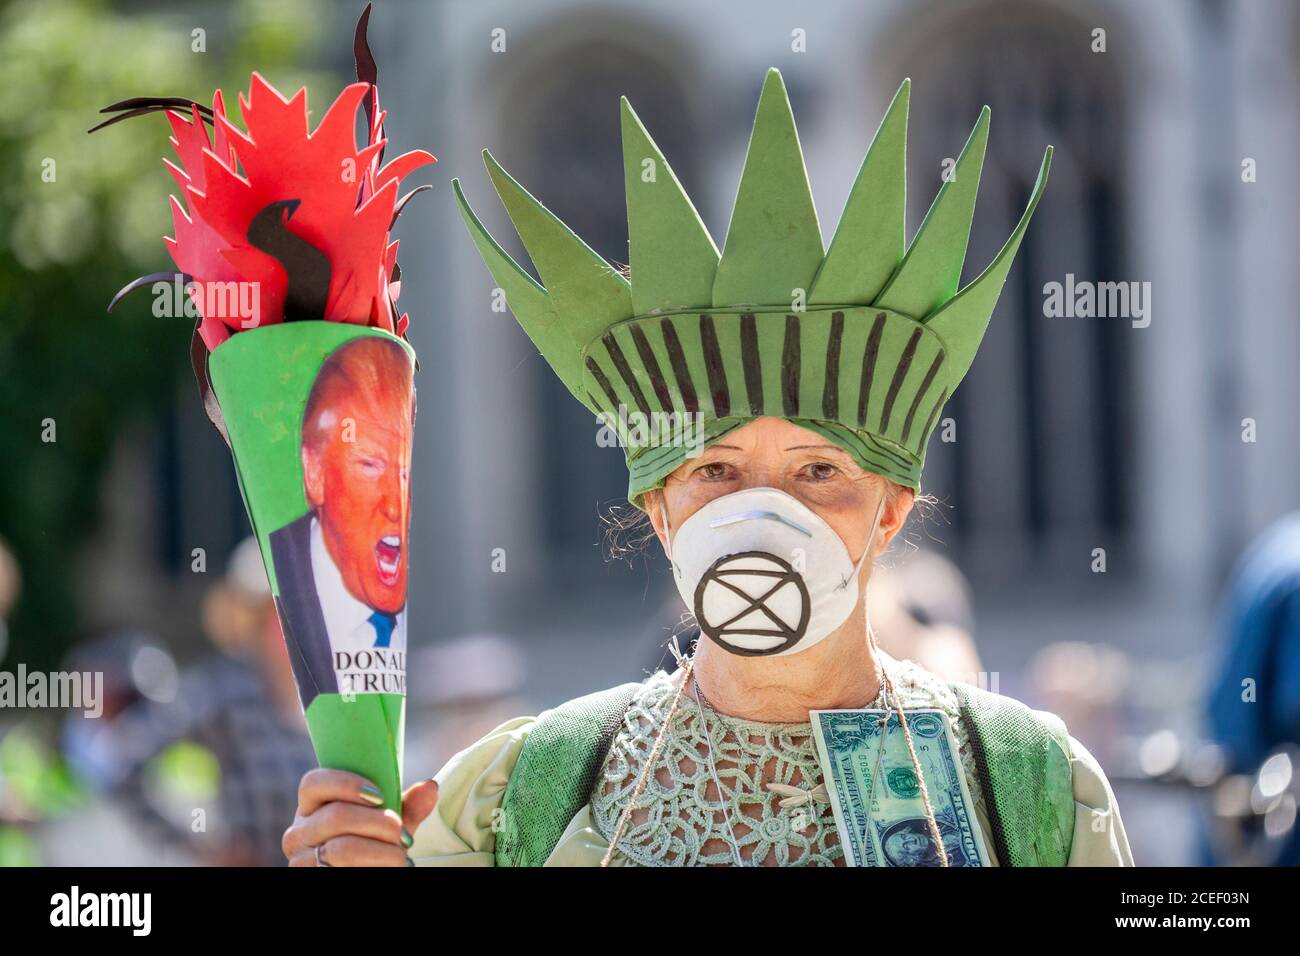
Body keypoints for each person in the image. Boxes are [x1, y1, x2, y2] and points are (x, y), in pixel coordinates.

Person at [282, 71, 1133, 866]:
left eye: (819, 473)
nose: (764, 515)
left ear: (891, 510)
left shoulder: (1032, 789)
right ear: (658, 508)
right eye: (717, 471)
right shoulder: (521, 798)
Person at [269, 335, 414, 700]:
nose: (395, 507)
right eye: (369, 465)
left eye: (403, 471)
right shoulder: (282, 579)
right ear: (314, 472)